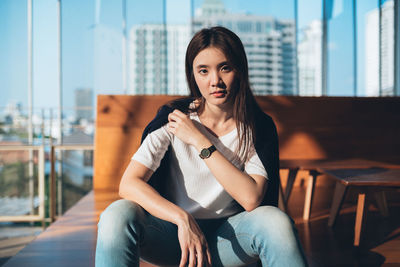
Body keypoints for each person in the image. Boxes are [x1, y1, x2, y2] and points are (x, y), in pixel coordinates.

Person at [96, 26, 307, 267]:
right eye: (203, 71)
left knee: (276, 222)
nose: (215, 81)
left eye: (225, 68)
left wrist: (199, 140)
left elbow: (251, 199)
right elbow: (129, 184)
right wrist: (182, 219)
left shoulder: (257, 126)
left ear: (240, 70)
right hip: (174, 237)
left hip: (229, 242)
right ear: (193, 75)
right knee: (116, 214)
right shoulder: (174, 118)